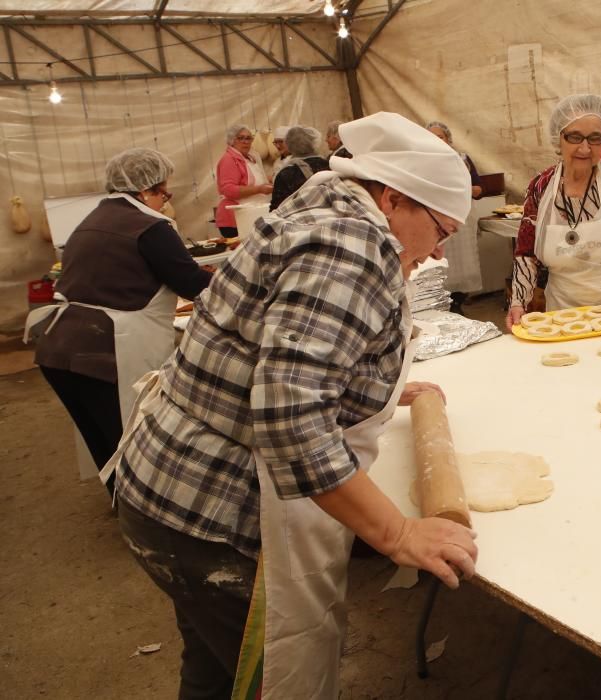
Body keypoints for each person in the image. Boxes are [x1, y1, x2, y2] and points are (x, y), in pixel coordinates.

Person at [105, 113, 478, 699]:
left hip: (163, 489)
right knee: (258, 679)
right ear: (394, 197)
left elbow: (280, 343)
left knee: (214, 671)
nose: (436, 254)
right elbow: (291, 422)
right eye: (442, 230)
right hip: (217, 517)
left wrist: (369, 386)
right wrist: (399, 534)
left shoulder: (328, 204)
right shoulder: (353, 244)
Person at [27, 148, 212, 495]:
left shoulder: (94, 216)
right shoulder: (151, 227)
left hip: (57, 345)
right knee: (132, 437)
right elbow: (190, 283)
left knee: (104, 441)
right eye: (163, 192)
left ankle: (123, 504)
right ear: (144, 191)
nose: (165, 201)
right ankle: (146, 514)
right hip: (104, 350)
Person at [506, 94, 601, 334]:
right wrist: (519, 302)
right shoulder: (541, 187)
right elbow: (526, 254)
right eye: (575, 137)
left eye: (594, 139)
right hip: (563, 317)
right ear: (559, 138)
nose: (585, 148)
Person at [426, 120, 483, 312]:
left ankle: (459, 302)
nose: (436, 141)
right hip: (436, 219)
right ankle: (444, 303)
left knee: (465, 263)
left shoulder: (462, 159)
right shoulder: (422, 160)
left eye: (440, 137)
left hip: (461, 218)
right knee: (442, 261)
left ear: (449, 139)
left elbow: (478, 189)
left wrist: (458, 189)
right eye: (432, 137)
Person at [215, 125, 273, 237]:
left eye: (248, 138)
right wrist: (259, 189)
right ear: (232, 141)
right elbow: (228, 190)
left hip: (252, 215)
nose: (246, 142)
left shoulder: (250, 158)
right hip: (235, 219)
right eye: (241, 138)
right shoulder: (229, 159)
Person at [269, 125, 331, 210]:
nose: (278, 145)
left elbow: (276, 209)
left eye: (280, 142)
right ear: (313, 143)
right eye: (276, 142)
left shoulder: (286, 174)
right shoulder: (329, 164)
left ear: (289, 145)